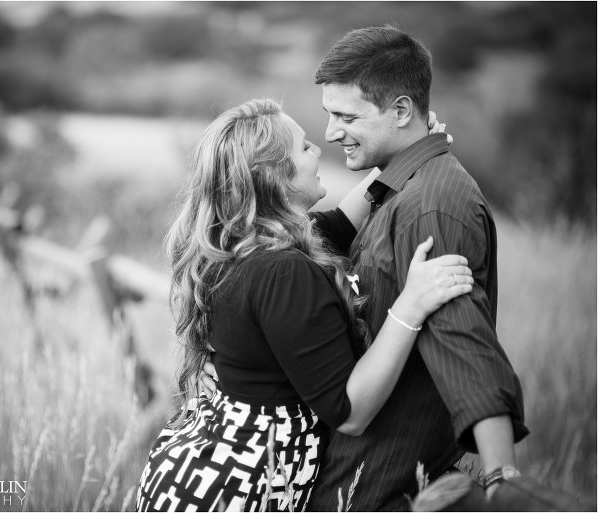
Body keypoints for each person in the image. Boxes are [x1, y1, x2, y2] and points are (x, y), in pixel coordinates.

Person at [201, 25, 529, 511]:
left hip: (375, 482)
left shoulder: (429, 205)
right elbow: (331, 227)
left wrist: (502, 479)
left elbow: (466, 344)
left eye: (344, 116)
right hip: (314, 482)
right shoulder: (285, 258)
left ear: (400, 110)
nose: (329, 135)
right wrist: (417, 149)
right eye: (320, 128)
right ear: (271, 179)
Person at [135, 98, 474, 512]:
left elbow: (343, 222)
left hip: (196, 472)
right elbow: (349, 412)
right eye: (305, 147)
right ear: (275, 176)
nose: (318, 150)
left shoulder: (245, 243)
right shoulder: (283, 272)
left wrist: (404, 155)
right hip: (231, 492)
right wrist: (411, 305)